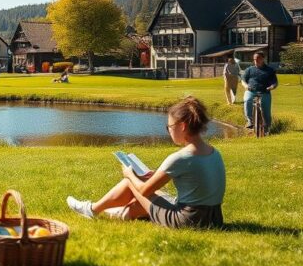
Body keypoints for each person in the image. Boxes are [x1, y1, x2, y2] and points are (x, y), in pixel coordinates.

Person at [65, 96, 225, 229]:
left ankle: (92, 209)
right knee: (158, 195)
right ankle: (121, 214)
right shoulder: (214, 152)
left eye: (169, 126)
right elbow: (194, 177)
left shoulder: (180, 157)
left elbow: (142, 191)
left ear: (182, 126)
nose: (169, 131)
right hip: (213, 219)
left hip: (188, 221)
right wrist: (156, 174)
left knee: (130, 183)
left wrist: (130, 174)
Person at [241, 51, 278, 133]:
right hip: (251, 91)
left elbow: (275, 82)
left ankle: (268, 129)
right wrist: (246, 86)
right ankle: (250, 121)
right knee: (247, 100)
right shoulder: (249, 70)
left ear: (263, 59)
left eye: (258, 58)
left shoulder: (270, 70)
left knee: (267, 113)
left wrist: (271, 87)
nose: (256, 60)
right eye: (254, 59)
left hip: (265, 92)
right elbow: (243, 80)